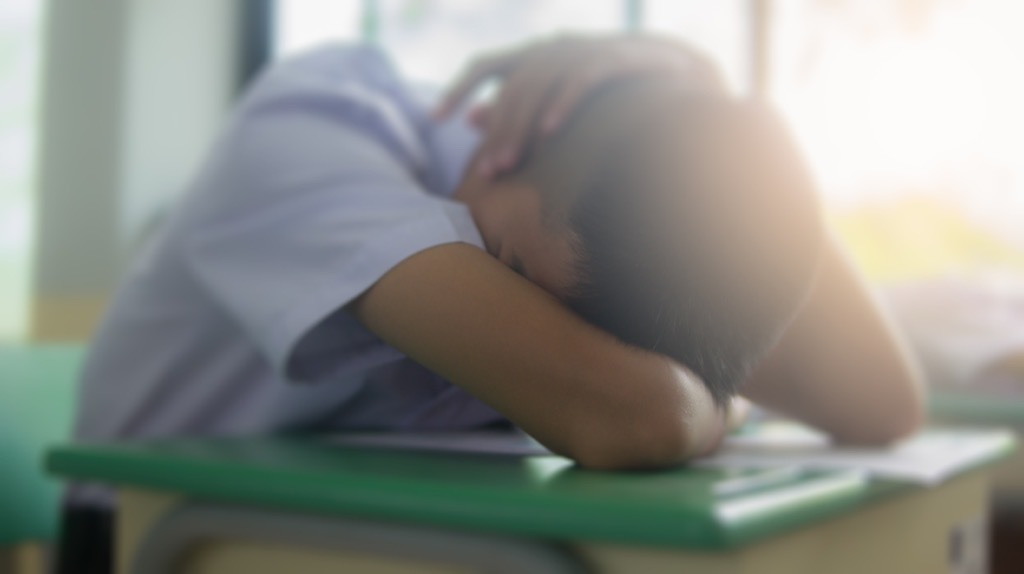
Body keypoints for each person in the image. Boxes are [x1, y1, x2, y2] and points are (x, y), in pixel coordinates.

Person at [58, 35, 923, 574]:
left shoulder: (600, 243)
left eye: (603, 340)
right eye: (509, 268)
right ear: (506, 148)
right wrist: (707, 394)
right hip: (158, 541)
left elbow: (882, 399)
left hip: (380, 531)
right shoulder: (315, 131)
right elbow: (630, 416)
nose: (535, 329)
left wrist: (707, 95)